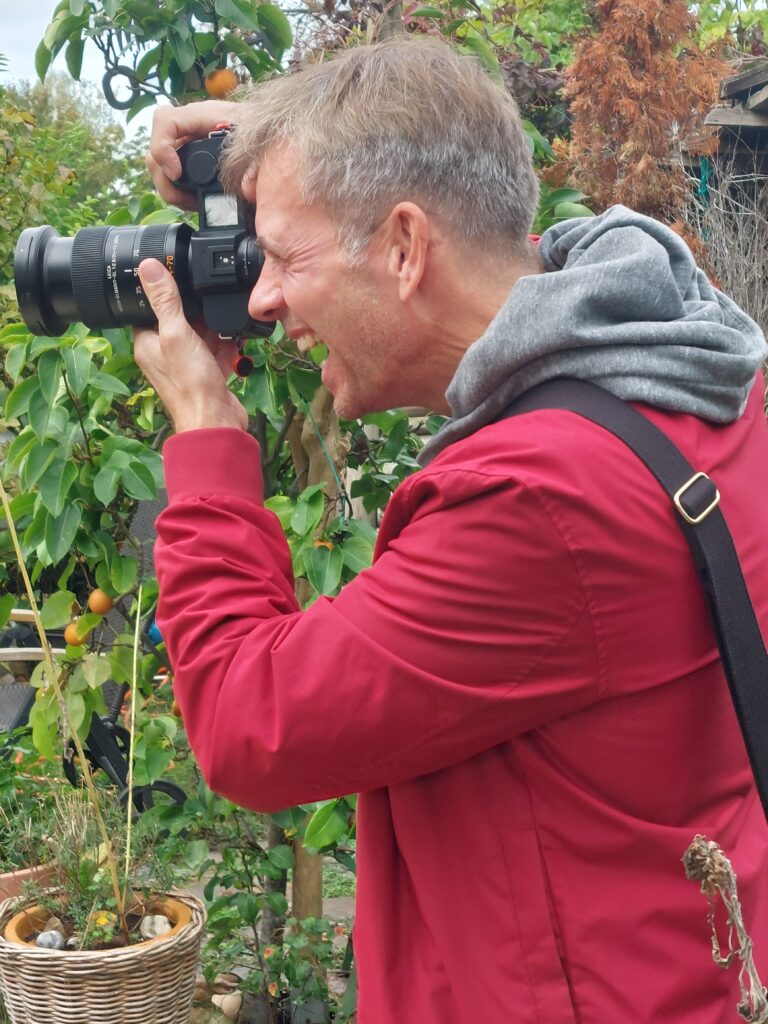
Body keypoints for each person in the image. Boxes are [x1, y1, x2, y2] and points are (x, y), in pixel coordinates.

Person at [135, 37, 768, 1023]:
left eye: (284, 257)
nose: (259, 298)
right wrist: (292, 143)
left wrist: (208, 434)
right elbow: (476, 221)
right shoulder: (688, 365)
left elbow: (246, 723)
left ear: (403, 246)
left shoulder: (537, 501)